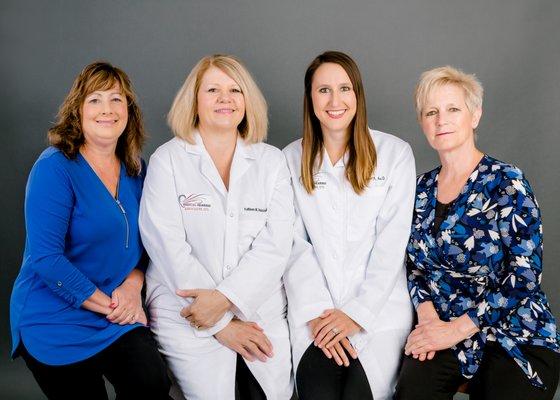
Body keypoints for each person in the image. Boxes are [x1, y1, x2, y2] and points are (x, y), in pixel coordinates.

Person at [395, 65, 560, 399]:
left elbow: (524, 277)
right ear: (423, 123)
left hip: (516, 333)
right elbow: (411, 265)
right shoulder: (418, 190)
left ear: (475, 116)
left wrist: (454, 331)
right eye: (431, 112)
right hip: (441, 331)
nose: (441, 120)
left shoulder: (506, 182)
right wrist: (428, 321)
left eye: (453, 109)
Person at [9, 62, 171, 399]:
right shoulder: (55, 167)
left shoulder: (138, 169)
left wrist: (132, 285)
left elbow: (148, 242)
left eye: (116, 99)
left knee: (152, 384)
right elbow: (45, 258)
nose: (107, 110)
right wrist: (113, 306)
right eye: (95, 100)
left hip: (112, 309)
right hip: (53, 315)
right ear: (77, 111)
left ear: (129, 110)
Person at [139, 54, 294, 400]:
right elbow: (167, 246)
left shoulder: (271, 162)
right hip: (185, 310)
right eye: (213, 90)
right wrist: (219, 323)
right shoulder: (169, 161)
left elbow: (275, 247)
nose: (226, 99)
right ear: (194, 100)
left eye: (235, 90)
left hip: (258, 310)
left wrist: (226, 301)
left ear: (247, 101)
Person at [283, 50, 416, 400]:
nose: (335, 100)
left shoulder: (394, 153)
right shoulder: (289, 159)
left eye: (344, 88)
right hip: (316, 315)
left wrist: (357, 314)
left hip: (378, 312)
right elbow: (294, 244)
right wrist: (319, 314)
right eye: (323, 90)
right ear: (310, 99)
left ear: (358, 95)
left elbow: (392, 243)